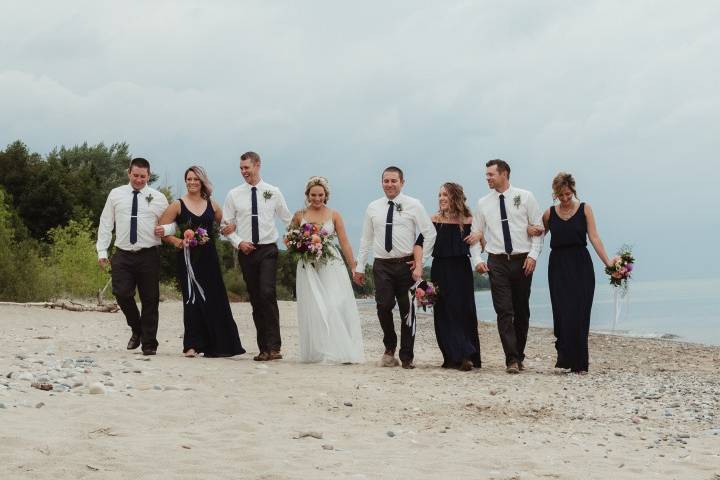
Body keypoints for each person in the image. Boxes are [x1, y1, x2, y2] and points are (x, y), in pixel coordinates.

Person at [526, 173, 617, 374]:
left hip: (581, 266)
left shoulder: (585, 209)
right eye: (561, 195)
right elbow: (538, 236)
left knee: (580, 312)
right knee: (562, 312)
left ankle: (580, 363)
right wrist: (529, 234)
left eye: (568, 194)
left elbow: (594, 238)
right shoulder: (549, 213)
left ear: (573, 191)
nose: (565, 198)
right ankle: (565, 358)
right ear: (555, 194)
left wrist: (609, 263)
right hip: (557, 267)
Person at [157, 166, 245, 358]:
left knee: (215, 298)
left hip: (209, 257)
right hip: (188, 258)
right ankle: (192, 345)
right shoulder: (177, 205)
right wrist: (178, 242)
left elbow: (223, 226)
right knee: (192, 299)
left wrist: (230, 228)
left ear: (202, 182)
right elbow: (161, 230)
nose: (192, 182)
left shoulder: (212, 204)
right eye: (189, 179)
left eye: (196, 179)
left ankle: (220, 343)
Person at [353, 166, 436, 369]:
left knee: (408, 311)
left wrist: (420, 261)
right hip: (382, 265)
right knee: (383, 306)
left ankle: (407, 356)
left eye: (393, 181)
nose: (389, 185)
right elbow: (366, 239)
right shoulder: (373, 207)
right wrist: (360, 266)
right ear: (381, 182)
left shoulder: (414, 205)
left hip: (406, 265)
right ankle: (389, 348)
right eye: (386, 181)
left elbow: (430, 233)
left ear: (402, 182)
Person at [467, 159, 543, 374]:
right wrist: (478, 260)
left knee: (522, 311)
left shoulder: (525, 197)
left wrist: (534, 255)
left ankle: (519, 354)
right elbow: (475, 234)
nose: (487, 178)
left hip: (522, 261)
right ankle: (511, 359)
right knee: (503, 311)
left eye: (491, 174)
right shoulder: (483, 203)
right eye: (487, 175)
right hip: (496, 261)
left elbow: (539, 228)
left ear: (505, 174)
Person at [96, 157, 172, 356]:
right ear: (129, 173)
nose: (139, 180)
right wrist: (102, 251)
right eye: (136, 175)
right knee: (121, 293)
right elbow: (106, 223)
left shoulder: (158, 197)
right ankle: (137, 328)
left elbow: (173, 223)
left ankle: (149, 343)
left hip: (149, 254)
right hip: (123, 253)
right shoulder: (115, 194)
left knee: (150, 299)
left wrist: (165, 228)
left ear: (149, 175)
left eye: (143, 176)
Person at [221, 152, 292, 361]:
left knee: (267, 293)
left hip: (268, 249)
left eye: (247, 168)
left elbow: (288, 219)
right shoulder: (234, 194)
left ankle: (275, 346)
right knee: (256, 298)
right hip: (246, 251)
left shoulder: (273, 192)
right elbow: (224, 227)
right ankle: (264, 348)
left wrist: (297, 237)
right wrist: (238, 242)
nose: (244, 172)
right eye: (241, 168)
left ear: (258, 165)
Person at [292, 176, 364, 364]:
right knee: (314, 307)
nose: (317, 198)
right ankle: (321, 350)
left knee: (334, 304)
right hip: (308, 265)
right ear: (307, 195)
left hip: (331, 264)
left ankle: (339, 349)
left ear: (326, 195)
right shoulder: (299, 215)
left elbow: (345, 243)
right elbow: (290, 239)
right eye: (313, 195)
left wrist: (354, 267)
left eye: (321, 195)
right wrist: (302, 247)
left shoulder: (334, 215)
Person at [413, 182, 483, 371]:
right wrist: (418, 265)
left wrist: (479, 236)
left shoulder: (469, 220)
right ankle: (452, 357)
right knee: (444, 313)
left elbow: (480, 244)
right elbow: (419, 244)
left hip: (462, 271)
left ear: (456, 197)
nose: (442, 198)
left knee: (464, 312)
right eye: (440, 195)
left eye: (446, 195)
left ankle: (467, 355)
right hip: (440, 270)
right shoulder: (433, 220)